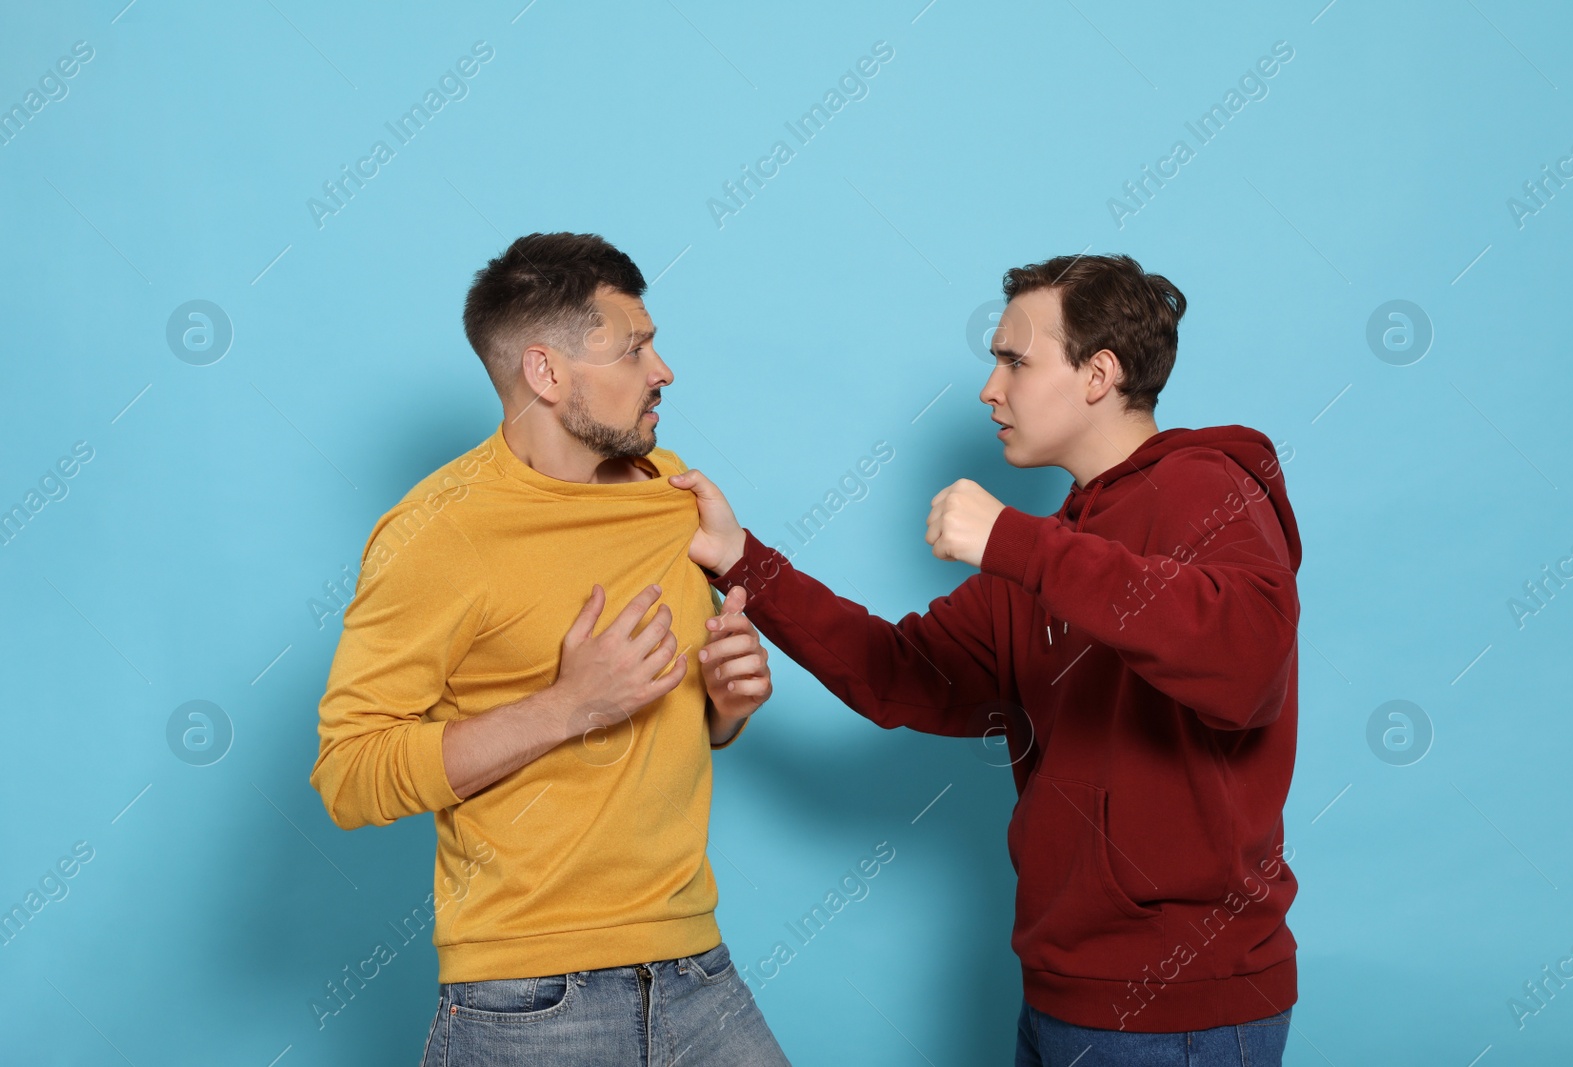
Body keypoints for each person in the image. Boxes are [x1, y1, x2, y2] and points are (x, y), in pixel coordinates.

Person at [669, 253, 1302, 1066]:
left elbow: (1245, 660)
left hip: (1183, 1010)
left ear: (1098, 374)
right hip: (1061, 994)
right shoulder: (1047, 552)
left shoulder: (1204, 487)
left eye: (1015, 360)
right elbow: (897, 672)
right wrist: (741, 559)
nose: (988, 389)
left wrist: (1013, 540)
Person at [309, 232, 790, 1065]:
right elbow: (349, 774)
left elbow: (672, 721)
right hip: (529, 997)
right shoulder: (438, 533)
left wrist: (725, 705)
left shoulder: (667, 492)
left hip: (695, 968)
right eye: (634, 348)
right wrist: (568, 705)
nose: (662, 369)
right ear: (546, 371)